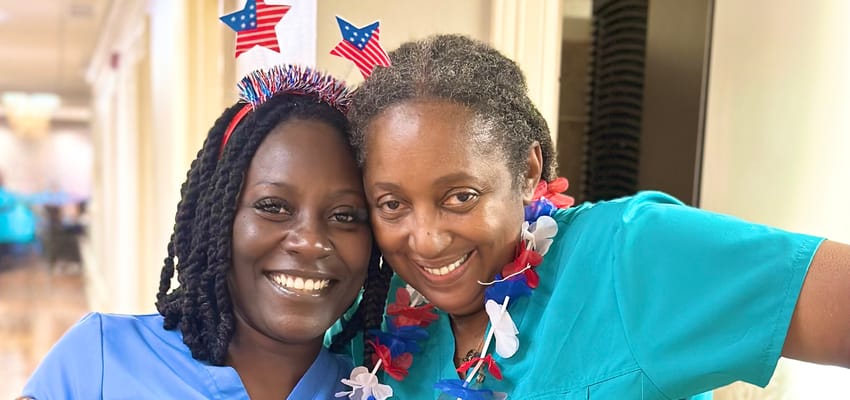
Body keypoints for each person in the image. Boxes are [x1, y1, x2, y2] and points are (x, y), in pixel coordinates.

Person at [340, 34, 850, 399]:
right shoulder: (378, 324)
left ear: (526, 171)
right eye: (393, 205)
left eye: (461, 197)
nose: (425, 240)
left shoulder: (627, 257)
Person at [20, 65, 386, 400]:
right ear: (215, 218)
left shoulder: (370, 389)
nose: (310, 241)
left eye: (345, 215)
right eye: (273, 207)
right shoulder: (98, 361)